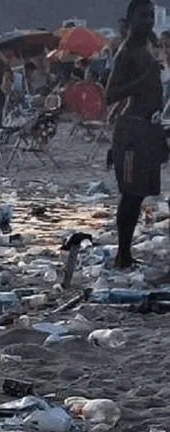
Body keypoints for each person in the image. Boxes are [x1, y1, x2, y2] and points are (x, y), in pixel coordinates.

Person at [105, 0, 166, 269]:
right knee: (130, 194)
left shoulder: (146, 46)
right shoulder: (126, 51)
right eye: (143, 16)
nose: (149, 21)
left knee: (140, 193)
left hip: (148, 128)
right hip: (131, 130)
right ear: (131, 18)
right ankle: (122, 254)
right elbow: (110, 94)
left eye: (152, 16)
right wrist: (144, 78)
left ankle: (126, 253)